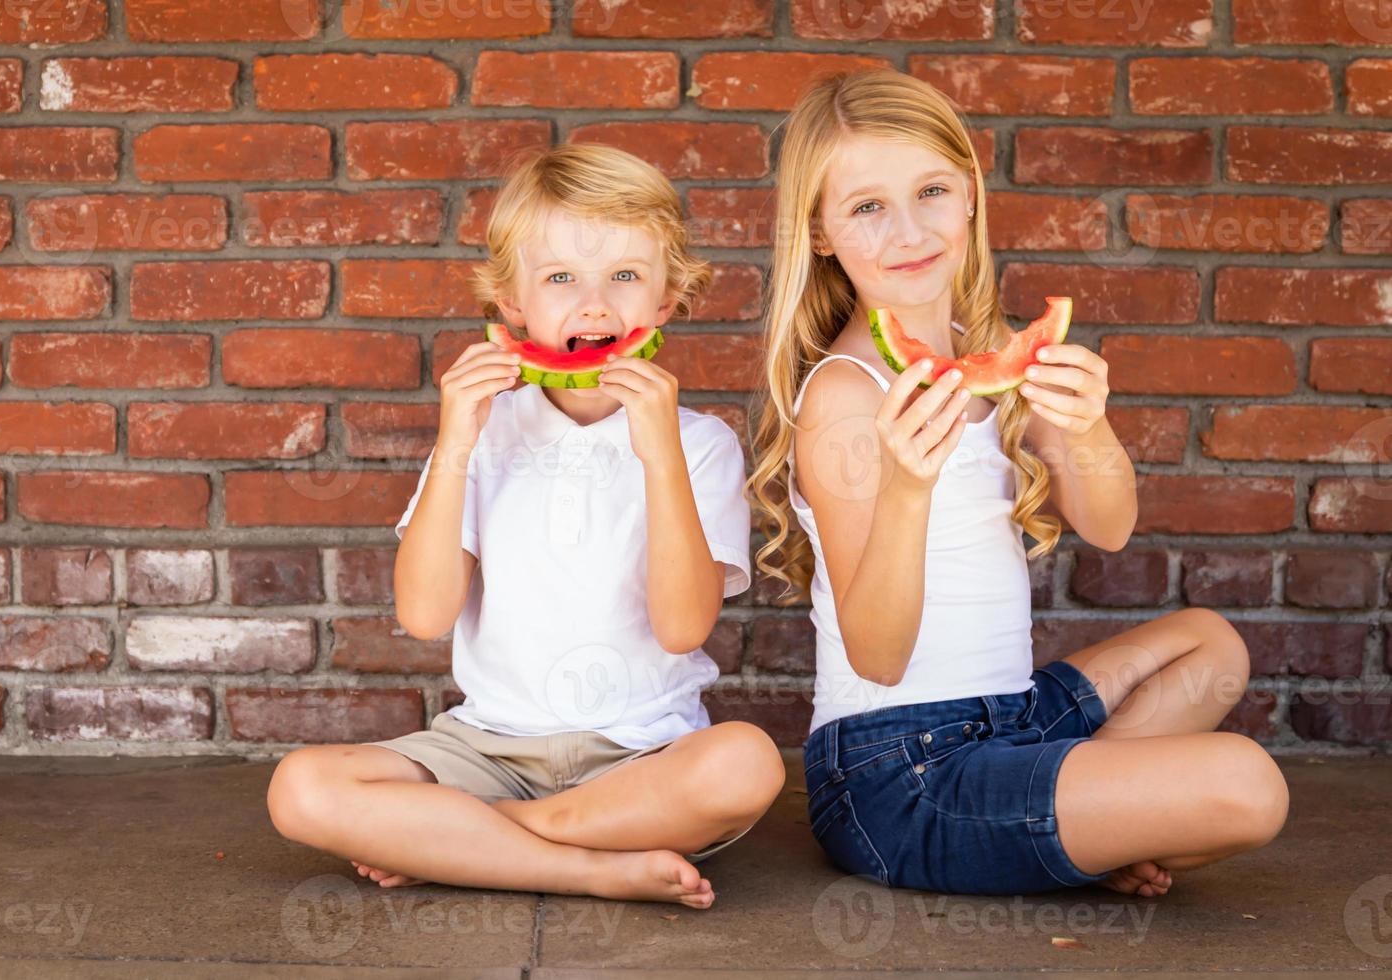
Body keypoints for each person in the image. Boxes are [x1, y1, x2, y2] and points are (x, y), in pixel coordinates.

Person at [747, 68, 1288, 897]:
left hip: (1014, 719)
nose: (909, 229)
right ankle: (1094, 823)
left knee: (1210, 641)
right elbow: (879, 656)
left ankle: (1084, 823)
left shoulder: (991, 349)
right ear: (819, 233)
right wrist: (907, 491)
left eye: (931, 190)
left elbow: (1110, 527)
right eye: (866, 207)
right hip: (897, 773)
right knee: (1249, 787)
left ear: (969, 197)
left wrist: (1087, 423)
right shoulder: (846, 397)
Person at [267, 143, 785, 909]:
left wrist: (659, 456)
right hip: (486, 746)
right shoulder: (484, 432)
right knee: (300, 789)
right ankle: (592, 865)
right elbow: (423, 613)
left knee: (747, 763)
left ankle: (474, 838)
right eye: (561, 278)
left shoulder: (700, 444)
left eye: (625, 276)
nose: (595, 304)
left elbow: (682, 628)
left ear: (666, 303)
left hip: (644, 754)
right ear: (513, 305)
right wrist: (456, 442)